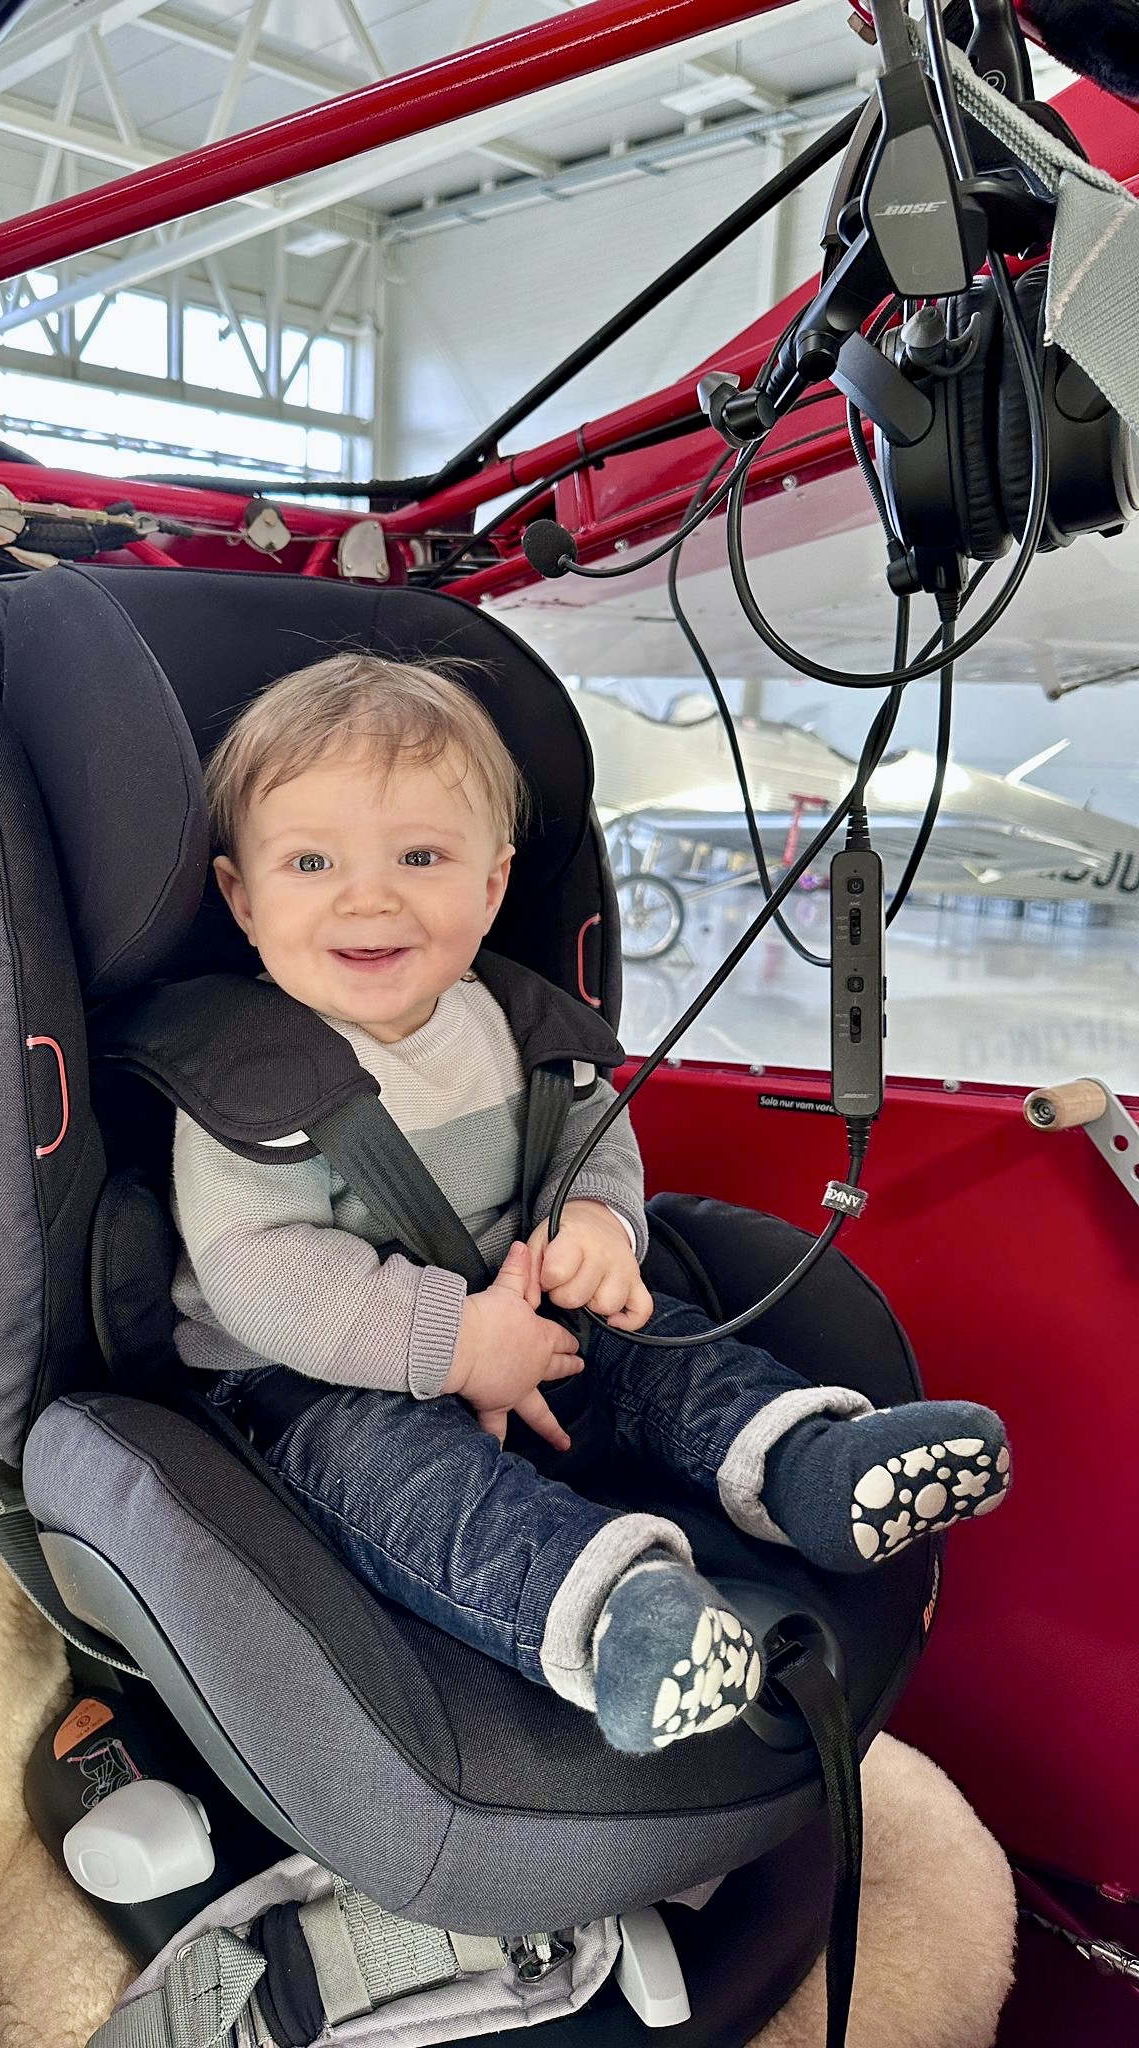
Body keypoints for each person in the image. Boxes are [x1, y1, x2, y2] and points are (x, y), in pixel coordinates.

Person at [169, 654, 1009, 1755]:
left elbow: (590, 1129)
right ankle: (616, 1618)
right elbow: (260, 1270)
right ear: (242, 897)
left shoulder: (511, 1023)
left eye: (419, 857)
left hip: (525, 1311)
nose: (367, 897)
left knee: (661, 1338)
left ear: (491, 886)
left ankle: (807, 1462)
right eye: (310, 862)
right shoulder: (251, 1081)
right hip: (317, 1380)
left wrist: (602, 1223)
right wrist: (459, 1343)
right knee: (409, 1487)